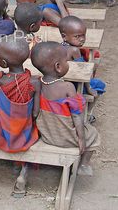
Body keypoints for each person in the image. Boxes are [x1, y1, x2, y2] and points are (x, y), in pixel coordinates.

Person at [31, 41, 100, 176]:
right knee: (93, 133)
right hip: (67, 138)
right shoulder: (68, 87)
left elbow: (36, 112)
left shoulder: (39, 83)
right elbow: (76, 115)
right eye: (66, 61)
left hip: (47, 135)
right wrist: (81, 138)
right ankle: (84, 165)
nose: (68, 63)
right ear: (58, 67)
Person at [0, 35, 40, 195]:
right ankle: (23, 168)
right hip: (24, 132)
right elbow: (36, 113)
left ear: (2, 62)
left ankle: (17, 164)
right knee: (33, 125)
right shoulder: (34, 82)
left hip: (2, 132)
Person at [58, 16, 106, 122]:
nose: (82, 39)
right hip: (76, 85)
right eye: (77, 36)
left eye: (83, 35)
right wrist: (89, 88)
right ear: (64, 36)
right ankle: (87, 115)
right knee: (99, 84)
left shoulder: (58, 47)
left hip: (61, 84)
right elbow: (83, 73)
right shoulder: (74, 50)